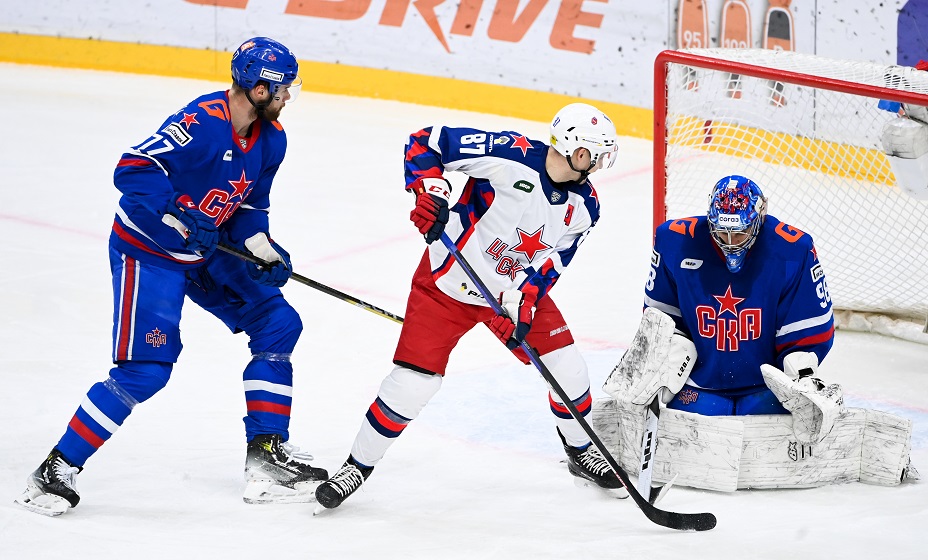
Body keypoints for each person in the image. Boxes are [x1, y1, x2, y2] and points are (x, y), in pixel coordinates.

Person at [15, 37, 327, 516]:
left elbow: (249, 209)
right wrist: (178, 211)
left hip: (205, 251)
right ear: (259, 88)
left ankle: (266, 460)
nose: (288, 97)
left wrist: (262, 250)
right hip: (150, 251)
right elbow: (133, 169)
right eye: (282, 88)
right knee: (145, 371)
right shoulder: (202, 123)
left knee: (278, 324)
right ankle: (53, 472)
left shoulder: (272, 140)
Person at [313, 103, 622, 510]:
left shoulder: (586, 206)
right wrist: (430, 192)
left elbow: (555, 262)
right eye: (596, 154)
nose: (599, 164)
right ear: (577, 151)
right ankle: (356, 467)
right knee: (413, 384)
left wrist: (525, 302)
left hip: (507, 297)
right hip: (446, 285)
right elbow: (427, 142)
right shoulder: (509, 155)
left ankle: (580, 450)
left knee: (568, 368)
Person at [609, 175, 836, 424]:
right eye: (722, 232)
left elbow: (808, 334)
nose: (730, 243)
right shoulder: (675, 242)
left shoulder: (792, 250)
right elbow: (661, 321)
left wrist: (801, 374)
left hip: (767, 391)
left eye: (740, 233)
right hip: (699, 386)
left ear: (759, 218)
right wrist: (662, 362)